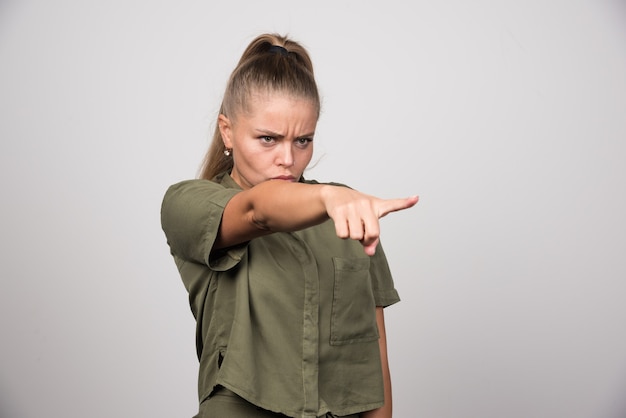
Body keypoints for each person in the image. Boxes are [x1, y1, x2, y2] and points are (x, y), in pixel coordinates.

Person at [161, 33, 418, 418]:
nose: (288, 159)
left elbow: (375, 354)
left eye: (303, 140)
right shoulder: (187, 204)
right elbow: (256, 211)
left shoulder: (348, 212)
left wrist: (335, 198)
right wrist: (329, 197)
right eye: (268, 139)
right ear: (228, 131)